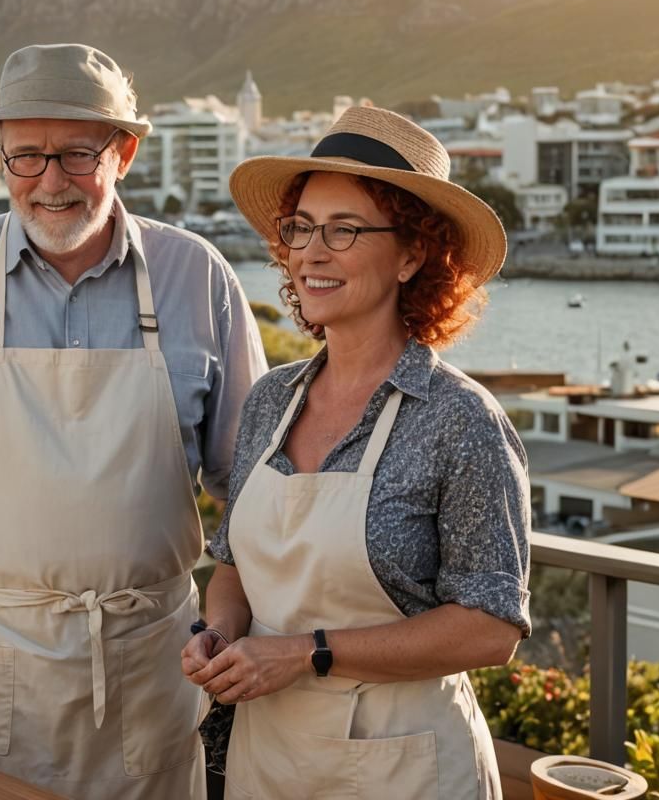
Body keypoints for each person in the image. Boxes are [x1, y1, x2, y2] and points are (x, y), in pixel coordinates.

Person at [0, 43, 268, 800]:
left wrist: (249, 634)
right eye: (25, 156)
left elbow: (255, 493)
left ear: (123, 153)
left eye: (75, 153)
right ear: (0, 157)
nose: (51, 181)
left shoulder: (198, 278)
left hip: (151, 671)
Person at [181, 105, 531, 799]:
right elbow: (234, 567)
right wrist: (217, 631)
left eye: (345, 230)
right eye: (301, 228)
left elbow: (492, 628)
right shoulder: (271, 402)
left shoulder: (461, 420)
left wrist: (306, 653)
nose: (312, 252)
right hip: (270, 760)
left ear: (412, 254)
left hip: (406, 767)